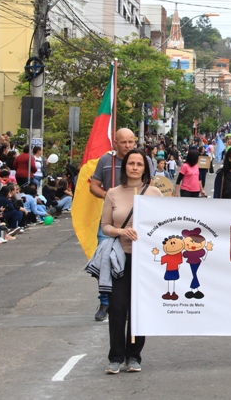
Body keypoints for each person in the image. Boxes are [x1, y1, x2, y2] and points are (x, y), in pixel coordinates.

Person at [101, 149, 163, 374]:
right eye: (131, 163)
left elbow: (164, 224)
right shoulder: (112, 193)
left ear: (145, 168)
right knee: (117, 307)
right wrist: (120, 231)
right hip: (120, 258)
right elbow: (105, 226)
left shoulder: (154, 193)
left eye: (139, 164)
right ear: (124, 166)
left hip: (145, 260)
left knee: (139, 307)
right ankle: (116, 357)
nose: (135, 167)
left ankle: (134, 356)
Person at [88, 127, 138, 321]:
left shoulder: (141, 160)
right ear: (115, 143)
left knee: (132, 262)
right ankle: (105, 302)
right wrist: (108, 196)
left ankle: (131, 302)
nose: (127, 145)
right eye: (123, 142)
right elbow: (94, 185)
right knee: (105, 260)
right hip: (111, 220)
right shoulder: (106, 161)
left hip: (136, 221)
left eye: (131, 142)